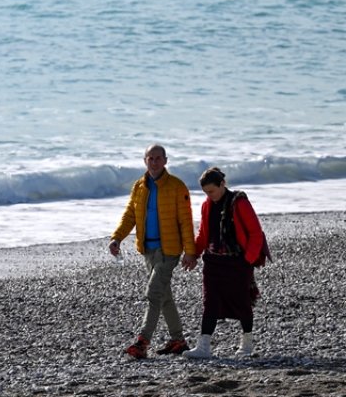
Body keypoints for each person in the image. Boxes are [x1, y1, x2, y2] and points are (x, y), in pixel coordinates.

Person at [107, 144, 197, 359]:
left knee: (153, 294)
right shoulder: (140, 186)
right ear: (144, 160)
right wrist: (117, 237)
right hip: (148, 250)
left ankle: (142, 342)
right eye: (150, 158)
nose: (154, 162)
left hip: (170, 250)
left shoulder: (176, 186)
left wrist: (190, 252)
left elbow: (186, 221)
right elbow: (130, 215)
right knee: (164, 297)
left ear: (165, 161)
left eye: (158, 158)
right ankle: (178, 341)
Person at [184, 166, 269, 359]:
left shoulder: (239, 203)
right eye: (206, 192)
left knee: (242, 302)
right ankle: (204, 346)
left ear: (222, 184)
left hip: (237, 262)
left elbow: (256, 233)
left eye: (212, 191)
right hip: (213, 262)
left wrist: (247, 260)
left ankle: (246, 344)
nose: (210, 196)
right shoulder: (207, 205)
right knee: (209, 302)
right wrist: (193, 254)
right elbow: (204, 235)